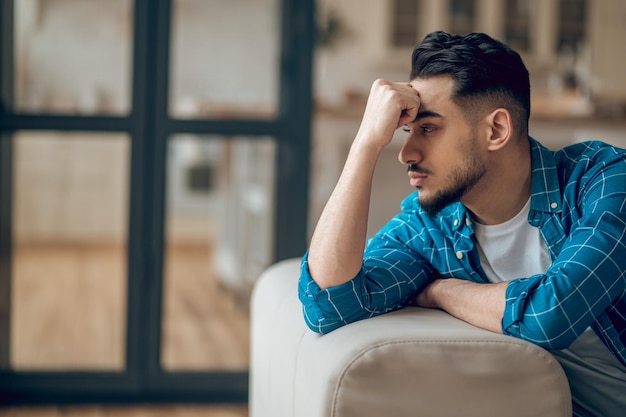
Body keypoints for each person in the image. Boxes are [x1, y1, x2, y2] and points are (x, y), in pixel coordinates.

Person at [298, 31, 626, 417]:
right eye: (407, 130)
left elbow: (550, 314)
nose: (406, 152)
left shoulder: (604, 181)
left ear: (495, 131)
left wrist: (443, 292)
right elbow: (328, 305)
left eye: (429, 128)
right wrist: (365, 143)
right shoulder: (433, 227)